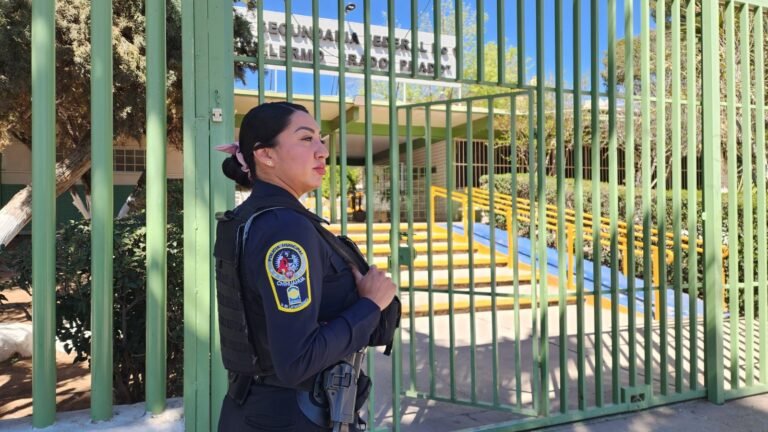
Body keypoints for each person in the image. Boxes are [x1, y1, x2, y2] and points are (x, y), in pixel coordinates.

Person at [214, 102, 399, 431]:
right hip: (290, 416)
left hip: (255, 410)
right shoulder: (284, 228)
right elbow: (297, 361)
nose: (322, 151)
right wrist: (371, 304)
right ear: (265, 155)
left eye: (320, 139)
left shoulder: (250, 218)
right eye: (306, 138)